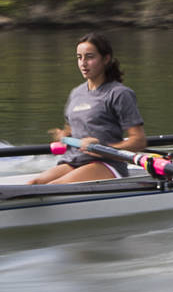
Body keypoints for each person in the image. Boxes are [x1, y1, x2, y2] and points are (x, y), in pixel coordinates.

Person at [29, 33, 148, 184]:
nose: (83, 63)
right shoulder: (76, 93)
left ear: (106, 59)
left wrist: (104, 148)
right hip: (74, 161)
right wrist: (64, 135)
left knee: (52, 187)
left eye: (89, 57)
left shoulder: (119, 94)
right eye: (79, 57)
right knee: (33, 183)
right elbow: (72, 127)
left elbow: (139, 141)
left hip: (106, 164)